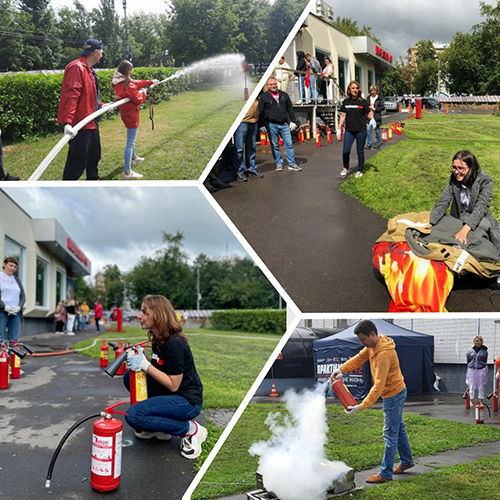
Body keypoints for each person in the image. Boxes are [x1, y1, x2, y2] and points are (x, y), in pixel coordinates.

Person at [331, 320, 414, 483]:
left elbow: (378, 386)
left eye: (363, 340)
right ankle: (406, 461)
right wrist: (342, 369)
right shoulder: (372, 346)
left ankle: (385, 473)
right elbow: (358, 359)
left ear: (373, 335)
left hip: (393, 394)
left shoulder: (384, 354)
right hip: (395, 392)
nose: (361, 343)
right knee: (399, 429)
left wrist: (361, 406)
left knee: (390, 434)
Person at [124, 295, 206, 459]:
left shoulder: (174, 343)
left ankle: (190, 430)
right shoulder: (158, 339)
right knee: (129, 377)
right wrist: (143, 360)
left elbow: (173, 384)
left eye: (144, 312)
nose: (139, 316)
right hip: (172, 394)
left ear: (158, 315)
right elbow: (160, 368)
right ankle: (158, 427)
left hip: (187, 401)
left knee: (134, 416)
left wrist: (145, 365)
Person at [430, 150, 500, 251]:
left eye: (460, 168)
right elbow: (443, 201)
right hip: (459, 216)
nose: (456, 171)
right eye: (454, 167)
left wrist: (465, 229)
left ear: (471, 168)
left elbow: (482, 207)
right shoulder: (454, 179)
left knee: (489, 230)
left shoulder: (485, 180)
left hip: (479, 217)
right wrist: (431, 222)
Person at [57, 39, 104, 181]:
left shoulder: (89, 69)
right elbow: (72, 96)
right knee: (77, 162)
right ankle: (68, 189)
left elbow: (88, 95)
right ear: (95, 52)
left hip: (91, 121)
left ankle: (93, 181)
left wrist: (101, 106)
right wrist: (68, 123)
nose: (102, 55)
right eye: (101, 52)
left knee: (94, 155)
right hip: (80, 125)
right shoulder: (76, 68)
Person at [112, 60, 157, 179]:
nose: (132, 72)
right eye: (131, 70)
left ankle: (133, 158)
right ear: (128, 71)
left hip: (126, 115)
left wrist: (150, 82)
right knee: (130, 142)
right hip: (131, 116)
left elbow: (137, 83)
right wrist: (144, 92)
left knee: (131, 140)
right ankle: (127, 172)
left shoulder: (120, 82)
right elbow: (138, 99)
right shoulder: (128, 85)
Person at [258, 77, 301, 172]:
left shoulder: (284, 95)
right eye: (271, 84)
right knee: (275, 145)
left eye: (275, 84)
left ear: (277, 84)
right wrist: (261, 125)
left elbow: (290, 109)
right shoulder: (264, 97)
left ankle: (292, 163)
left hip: (284, 124)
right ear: (267, 86)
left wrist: (293, 121)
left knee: (289, 144)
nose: (273, 86)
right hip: (271, 124)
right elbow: (260, 112)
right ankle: (279, 163)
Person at [337, 80, 375, 179]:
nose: (355, 90)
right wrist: (339, 128)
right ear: (349, 89)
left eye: (356, 88)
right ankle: (345, 168)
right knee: (345, 150)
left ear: (359, 90)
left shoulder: (363, 102)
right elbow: (343, 115)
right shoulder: (346, 102)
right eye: (353, 88)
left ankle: (360, 170)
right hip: (349, 130)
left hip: (361, 130)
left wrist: (372, 119)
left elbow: (369, 113)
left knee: (360, 151)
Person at [235, 95, 263, 182]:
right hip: (242, 121)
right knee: (239, 148)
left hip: (254, 121)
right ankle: (239, 171)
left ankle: (251, 169)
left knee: (251, 146)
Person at [0, 257, 25, 346]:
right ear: (5, 264)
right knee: (0, 338)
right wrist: (4, 307)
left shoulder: (17, 280)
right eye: (11, 265)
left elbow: (22, 295)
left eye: (15, 266)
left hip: (15, 313)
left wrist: (19, 307)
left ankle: (12, 359)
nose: (13, 268)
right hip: (2, 312)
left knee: (13, 340)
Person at [466, 335, 488, 404]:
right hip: (472, 369)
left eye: (478, 341)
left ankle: (480, 400)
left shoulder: (484, 351)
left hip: (481, 369)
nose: (476, 342)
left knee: (481, 385)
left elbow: (485, 359)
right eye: (475, 341)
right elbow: (468, 359)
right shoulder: (470, 351)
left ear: (481, 341)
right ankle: (471, 400)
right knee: (472, 385)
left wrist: (481, 365)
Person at [365, 85, 385, 150]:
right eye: (372, 91)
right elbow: (365, 106)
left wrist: (375, 109)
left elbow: (382, 107)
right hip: (369, 116)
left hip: (376, 117)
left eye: (374, 91)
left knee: (377, 130)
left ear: (376, 91)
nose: (373, 92)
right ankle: (369, 143)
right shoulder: (368, 98)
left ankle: (378, 142)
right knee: (368, 130)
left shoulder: (379, 98)